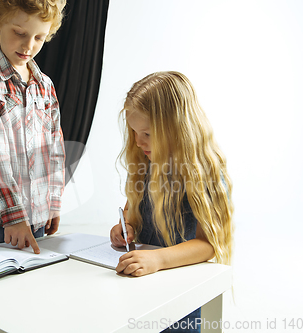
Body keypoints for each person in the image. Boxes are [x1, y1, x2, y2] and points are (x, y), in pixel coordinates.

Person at [110, 71, 234, 333]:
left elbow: (208, 244)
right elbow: (131, 214)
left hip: (180, 292)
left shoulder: (205, 173)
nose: (137, 141)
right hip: (141, 285)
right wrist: (125, 229)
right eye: (133, 132)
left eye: (146, 133)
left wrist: (157, 260)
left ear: (177, 127)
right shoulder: (146, 163)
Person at [0, 0, 66, 254]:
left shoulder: (45, 85)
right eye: (19, 33)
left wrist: (52, 202)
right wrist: (13, 216)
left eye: (39, 37)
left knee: (29, 284)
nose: (28, 46)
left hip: (36, 212)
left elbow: (54, 147)